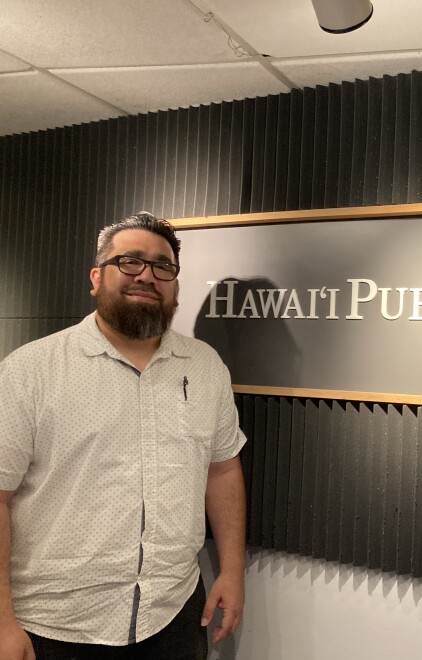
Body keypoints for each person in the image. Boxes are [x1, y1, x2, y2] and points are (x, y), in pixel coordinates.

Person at [0, 212, 247, 659]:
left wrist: (232, 570)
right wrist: (1, 622)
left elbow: (223, 468)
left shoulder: (205, 366)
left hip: (172, 614)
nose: (146, 275)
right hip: (57, 628)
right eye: (129, 261)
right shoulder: (30, 371)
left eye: (162, 266)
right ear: (97, 277)